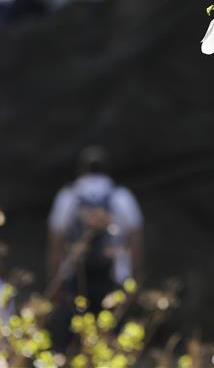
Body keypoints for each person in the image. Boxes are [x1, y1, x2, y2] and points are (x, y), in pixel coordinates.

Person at [46, 146, 143, 350]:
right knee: (111, 341)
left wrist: (55, 280)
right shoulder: (121, 196)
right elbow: (134, 241)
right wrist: (134, 280)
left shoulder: (68, 196)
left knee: (71, 342)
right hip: (112, 280)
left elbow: (56, 243)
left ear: (81, 169)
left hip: (75, 278)